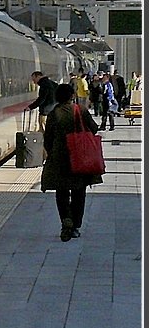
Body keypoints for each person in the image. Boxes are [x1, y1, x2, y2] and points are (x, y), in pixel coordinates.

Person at [41, 82, 102, 241]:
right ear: (72, 96)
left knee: (61, 192)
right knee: (79, 192)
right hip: (80, 158)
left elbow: (47, 139)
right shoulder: (80, 110)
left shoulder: (54, 113)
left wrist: (52, 153)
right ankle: (75, 226)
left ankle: (65, 220)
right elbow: (94, 128)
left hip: (60, 159)